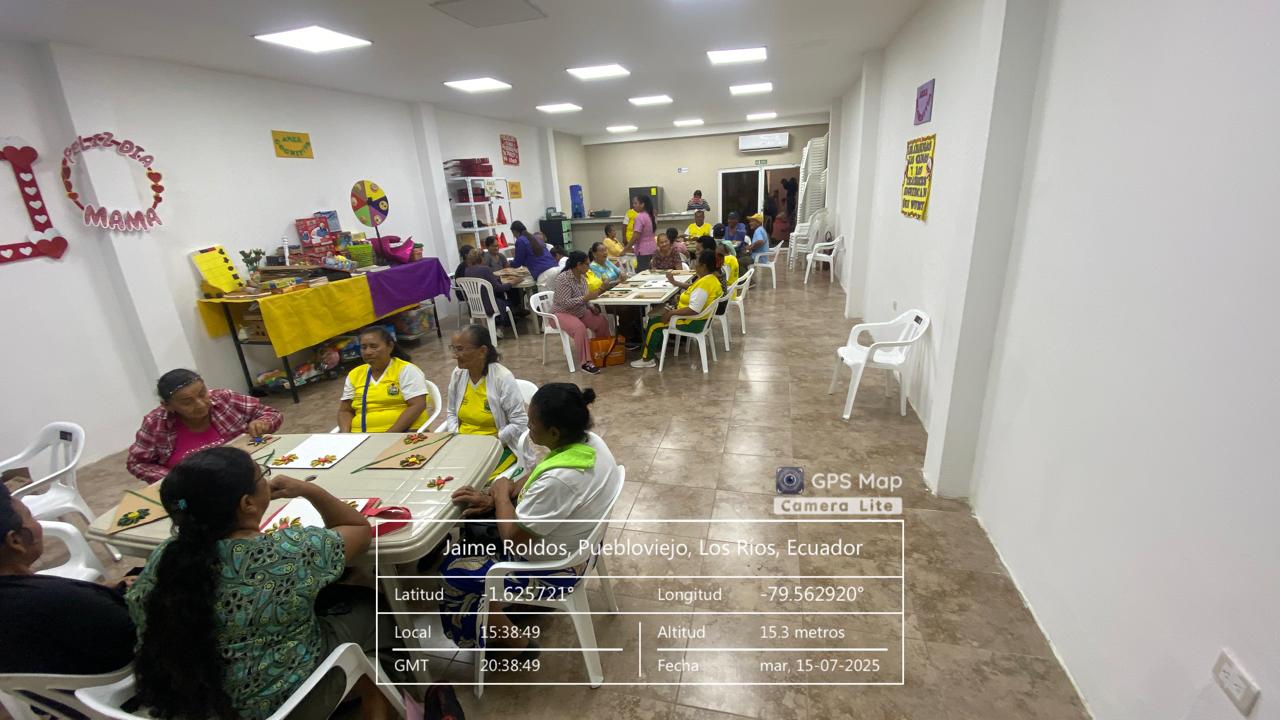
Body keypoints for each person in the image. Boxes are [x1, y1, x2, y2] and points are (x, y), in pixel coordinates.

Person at [127, 447, 397, 720]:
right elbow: (358, 529)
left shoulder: (164, 558)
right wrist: (309, 490)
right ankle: (378, 693)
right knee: (370, 605)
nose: (266, 480)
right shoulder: (287, 551)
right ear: (247, 503)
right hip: (279, 706)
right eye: (261, 476)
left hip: (189, 701)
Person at [443, 383, 621, 651]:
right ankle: (505, 610)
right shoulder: (589, 444)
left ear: (554, 432)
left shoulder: (561, 480)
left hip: (557, 569)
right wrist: (495, 497)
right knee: (478, 527)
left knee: (454, 571)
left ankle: (517, 644)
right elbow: (539, 473)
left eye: (532, 422)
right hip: (584, 547)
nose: (528, 427)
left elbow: (513, 540)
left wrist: (501, 496)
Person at [0, 483, 136, 678]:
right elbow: (137, 634)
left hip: (46, 688)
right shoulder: (61, 601)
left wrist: (104, 589)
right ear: (15, 541)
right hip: (117, 680)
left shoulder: (25, 593)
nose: (37, 523)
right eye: (30, 516)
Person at [127, 369, 283, 484]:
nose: (200, 404)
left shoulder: (224, 399)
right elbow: (136, 463)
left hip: (242, 473)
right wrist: (173, 478)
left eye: (202, 393)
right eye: (187, 402)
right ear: (167, 405)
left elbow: (272, 413)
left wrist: (263, 423)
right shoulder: (155, 423)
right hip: (193, 488)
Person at [445, 325, 528, 478]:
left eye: (460, 349)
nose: (454, 355)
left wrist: (492, 441)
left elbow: (519, 422)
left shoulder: (502, 378)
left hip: (497, 447)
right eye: (453, 349)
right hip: (463, 445)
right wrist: (458, 436)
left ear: (482, 351)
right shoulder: (458, 374)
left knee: (473, 480)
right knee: (442, 475)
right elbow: (451, 412)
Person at [631, 249, 725, 368]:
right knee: (656, 314)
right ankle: (657, 349)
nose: (694, 265)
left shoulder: (705, 283)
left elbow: (694, 309)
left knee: (654, 323)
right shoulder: (711, 279)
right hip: (700, 319)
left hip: (691, 322)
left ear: (704, 266)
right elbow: (694, 290)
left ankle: (647, 359)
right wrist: (678, 291)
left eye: (696, 263)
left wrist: (672, 313)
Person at [337, 326, 430, 433]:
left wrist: (388, 436)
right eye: (363, 347)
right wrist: (346, 435)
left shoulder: (406, 370)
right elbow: (345, 411)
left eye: (373, 346)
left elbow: (417, 405)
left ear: (390, 346)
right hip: (362, 437)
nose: (368, 352)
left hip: (403, 434)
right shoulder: (354, 374)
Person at [552, 251, 614, 375]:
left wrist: (591, 306)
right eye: (586, 264)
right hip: (561, 313)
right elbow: (564, 303)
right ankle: (586, 362)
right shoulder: (563, 279)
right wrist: (585, 299)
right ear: (578, 265)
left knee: (601, 321)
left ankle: (601, 351)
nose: (589, 267)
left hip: (579, 310)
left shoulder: (583, 278)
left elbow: (585, 299)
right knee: (579, 328)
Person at [461, 245, 518, 323]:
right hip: (489, 306)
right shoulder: (485, 269)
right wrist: (512, 283)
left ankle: (500, 321)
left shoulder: (467, 271)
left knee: (499, 296)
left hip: (475, 306)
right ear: (481, 258)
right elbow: (499, 288)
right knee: (513, 298)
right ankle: (506, 320)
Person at [622, 195, 657, 270]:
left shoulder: (640, 216)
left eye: (635, 203)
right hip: (652, 248)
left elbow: (636, 235)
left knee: (642, 273)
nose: (633, 206)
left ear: (642, 204)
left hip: (643, 250)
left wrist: (626, 249)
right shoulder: (651, 215)